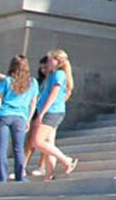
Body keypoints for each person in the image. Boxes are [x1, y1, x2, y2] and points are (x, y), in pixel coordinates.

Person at [0, 55, 41, 182]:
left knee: (2, 147)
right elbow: (33, 103)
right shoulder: (33, 83)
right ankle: (20, 175)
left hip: (3, 114)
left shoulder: (7, 81)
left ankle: (1, 176)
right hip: (20, 117)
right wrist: (28, 119)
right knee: (19, 148)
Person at [30, 49, 81, 180]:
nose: (47, 62)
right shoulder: (51, 75)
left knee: (37, 141)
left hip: (51, 112)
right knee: (48, 143)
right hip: (51, 111)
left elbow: (54, 94)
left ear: (57, 61)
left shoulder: (59, 74)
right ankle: (49, 173)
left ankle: (66, 160)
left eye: (50, 59)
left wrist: (42, 113)